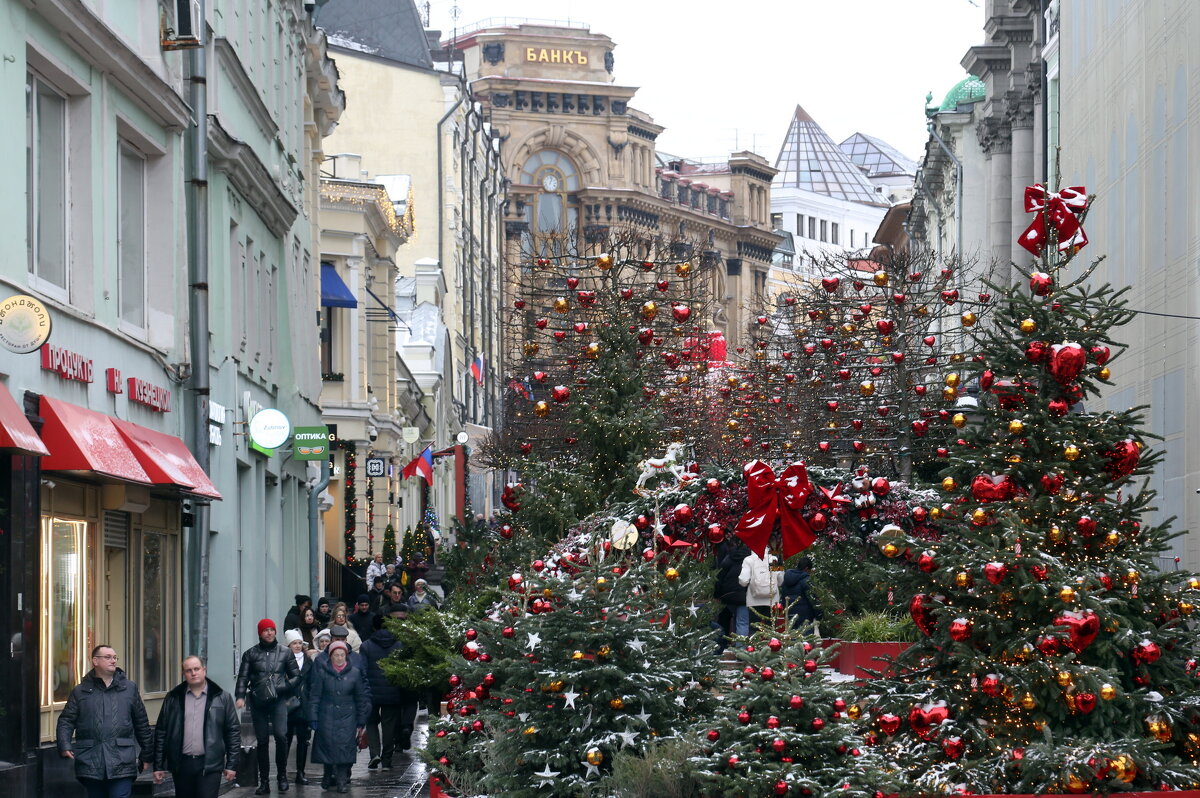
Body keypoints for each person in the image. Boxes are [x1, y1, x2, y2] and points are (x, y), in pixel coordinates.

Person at [56, 645, 153, 798]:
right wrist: (64, 744)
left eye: (115, 657)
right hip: (90, 760)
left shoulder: (129, 688)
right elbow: (66, 720)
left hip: (122, 759)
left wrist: (147, 755)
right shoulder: (80, 691)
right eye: (108, 657)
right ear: (95, 661)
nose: (113, 661)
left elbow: (141, 723)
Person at [152, 656, 240, 798]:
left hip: (210, 764)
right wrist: (158, 765)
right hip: (182, 764)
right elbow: (161, 731)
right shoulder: (173, 698)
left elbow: (233, 732)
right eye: (188, 670)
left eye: (196, 669)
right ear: (184, 674)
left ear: (204, 670)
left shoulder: (222, 697)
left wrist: (232, 764)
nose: (193, 673)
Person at [235, 618, 302, 794]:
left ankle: (282, 776)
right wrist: (240, 696)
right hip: (258, 702)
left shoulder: (285, 652)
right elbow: (243, 677)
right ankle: (264, 781)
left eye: (272, 629)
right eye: (266, 630)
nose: (269, 633)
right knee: (262, 741)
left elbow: (296, 677)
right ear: (260, 633)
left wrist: (281, 688)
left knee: (281, 736)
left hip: (278, 701)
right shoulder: (250, 654)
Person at [308, 641, 371, 793]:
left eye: (342, 655)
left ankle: (342, 781)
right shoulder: (322, 672)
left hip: (348, 717)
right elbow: (315, 696)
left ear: (346, 656)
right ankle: (327, 774)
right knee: (328, 747)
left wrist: (361, 721)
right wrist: (313, 717)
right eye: (336, 655)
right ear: (330, 657)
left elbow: (361, 699)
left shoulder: (354, 673)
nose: (339, 658)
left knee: (344, 748)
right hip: (326, 715)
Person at [361, 611, 418, 769]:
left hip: (371, 693)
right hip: (392, 692)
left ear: (374, 627)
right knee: (389, 726)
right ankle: (387, 760)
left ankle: (374, 754)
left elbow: (363, 671)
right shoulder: (399, 644)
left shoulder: (366, 646)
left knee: (371, 723)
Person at [282, 630, 314, 786]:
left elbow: (312, 684)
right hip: (287, 705)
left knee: (303, 740)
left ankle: (300, 773)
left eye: (300, 643)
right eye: (294, 643)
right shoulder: (283, 661)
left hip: (303, 706)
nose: (297, 646)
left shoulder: (308, 662)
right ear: (289, 645)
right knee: (285, 739)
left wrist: (309, 699)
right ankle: (282, 773)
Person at [739, 547, 782, 631]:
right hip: (772, 599)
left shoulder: (748, 560)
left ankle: (756, 643)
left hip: (754, 600)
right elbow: (780, 580)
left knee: (754, 628)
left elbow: (743, 581)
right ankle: (771, 643)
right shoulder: (774, 559)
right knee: (771, 628)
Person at [716, 540, 752, 638]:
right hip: (744, 595)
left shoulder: (729, 558)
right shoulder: (751, 560)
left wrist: (717, 594)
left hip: (728, 594)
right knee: (742, 622)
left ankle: (721, 643)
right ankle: (740, 647)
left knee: (725, 619)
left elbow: (720, 576)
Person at [782, 556, 822, 630]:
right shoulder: (806, 581)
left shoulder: (786, 579)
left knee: (793, 638)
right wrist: (819, 615)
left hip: (790, 614)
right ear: (806, 569)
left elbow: (783, 598)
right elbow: (813, 599)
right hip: (805, 616)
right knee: (806, 639)